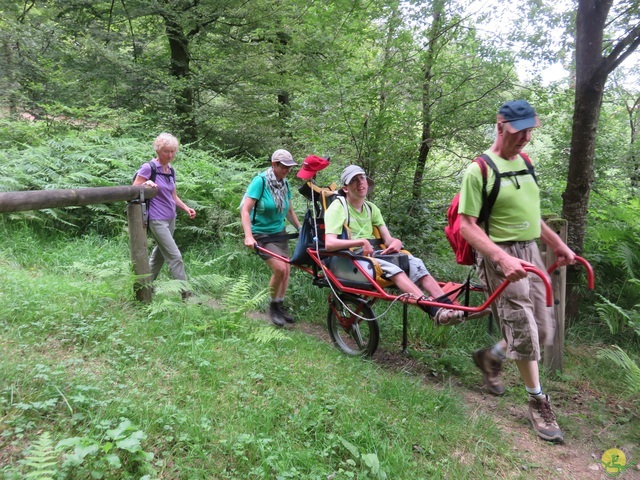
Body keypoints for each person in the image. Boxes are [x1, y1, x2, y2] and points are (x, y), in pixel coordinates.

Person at [458, 100, 576, 443]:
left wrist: (556, 244)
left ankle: (490, 356)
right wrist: (500, 258)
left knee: (542, 328)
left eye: (529, 130)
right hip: (501, 258)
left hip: (531, 253)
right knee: (523, 328)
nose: (525, 137)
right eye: (518, 130)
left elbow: (531, 217)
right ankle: (538, 402)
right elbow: (467, 226)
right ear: (500, 125)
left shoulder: (525, 162)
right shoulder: (478, 170)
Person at [324, 165, 485, 325]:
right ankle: (436, 312)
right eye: (354, 180)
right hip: (350, 259)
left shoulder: (371, 208)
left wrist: (396, 242)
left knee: (415, 262)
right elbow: (329, 243)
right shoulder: (338, 208)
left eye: (362, 178)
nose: (360, 183)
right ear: (345, 188)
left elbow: (387, 240)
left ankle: (450, 309)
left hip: (373, 256)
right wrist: (361, 242)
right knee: (395, 269)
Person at [241, 149, 302, 327]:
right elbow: (245, 210)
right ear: (274, 164)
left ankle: (279, 305)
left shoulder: (285, 184)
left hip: (279, 233)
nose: (288, 170)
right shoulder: (260, 181)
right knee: (280, 269)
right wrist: (248, 236)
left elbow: (289, 211)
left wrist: (300, 228)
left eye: (290, 167)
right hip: (261, 233)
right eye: (284, 166)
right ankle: (273, 308)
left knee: (287, 270)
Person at [133, 133, 196, 299]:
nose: (170, 155)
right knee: (175, 257)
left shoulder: (170, 170)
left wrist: (185, 207)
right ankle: (187, 296)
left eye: (173, 151)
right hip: (156, 219)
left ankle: (144, 289)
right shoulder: (149, 168)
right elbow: (134, 187)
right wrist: (146, 183)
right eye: (167, 151)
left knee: (159, 256)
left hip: (170, 218)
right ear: (158, 150)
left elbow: (172, 196)